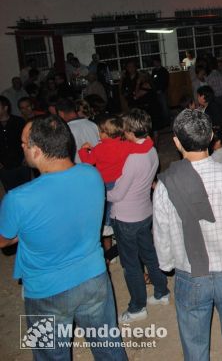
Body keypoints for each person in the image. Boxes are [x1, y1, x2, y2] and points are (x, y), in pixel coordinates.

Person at [0, 115, 127, 359]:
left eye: (24, 143)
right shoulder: (92, 175)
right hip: (94, 278)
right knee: (109, 348)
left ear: (37, 151)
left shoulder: (18, 199)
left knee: (51, 356)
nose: (22, 147)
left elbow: (4, 239)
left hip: (46, 290)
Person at [153, 109, 222, 360]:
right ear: (212, 136)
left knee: (194, 344)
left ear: (176, 142)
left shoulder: (166, 186)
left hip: (190, 275)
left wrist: (167, 264)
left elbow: (162, 235)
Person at [107, 109, 169, 322]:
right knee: (149, 255)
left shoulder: (134, 158)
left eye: (125, 128)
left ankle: (137, 307)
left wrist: (100, 190)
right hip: (144, 211)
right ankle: (162, 292)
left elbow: (117, 194)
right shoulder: (150, 148)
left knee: (131, 264)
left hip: (126, 217)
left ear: (131, 131)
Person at [0, 96, 32, 191]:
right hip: (4, 167)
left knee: (27, 190)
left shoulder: (19, 121)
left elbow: (28, 140)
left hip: (21, 164)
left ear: (5, 108)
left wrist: (27, 157)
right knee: (11, 192)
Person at [56, 97, 100, 163]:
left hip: (78, 169)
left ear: (60, 113)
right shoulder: (92, 124)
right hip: (96, 168)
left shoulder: (66, 130)